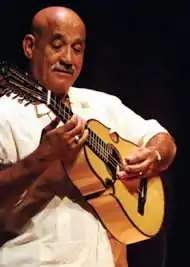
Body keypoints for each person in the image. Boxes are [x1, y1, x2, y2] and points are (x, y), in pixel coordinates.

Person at [0, 6, 176, 267]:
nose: (68, 59)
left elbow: (162, 138)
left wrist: (154, 154)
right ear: (29, 47)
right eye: (57, 46)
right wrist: (41, 157)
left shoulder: (101, 104)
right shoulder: (5, 113)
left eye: (78, 49)